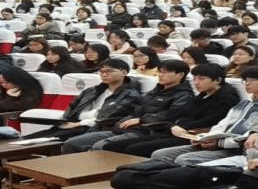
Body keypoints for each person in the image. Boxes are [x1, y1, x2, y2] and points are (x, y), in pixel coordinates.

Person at [100, 63, 241, 157]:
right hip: (172, 131)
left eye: (201, 79)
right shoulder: (203, 95)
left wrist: (176, 125)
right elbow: (179, 113)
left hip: (192, 136)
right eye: (195, 79)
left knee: (135, 149)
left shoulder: (227, 99)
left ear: (217, 80)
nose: (196, 82)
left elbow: (208, 121)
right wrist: (172, 125)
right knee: (113, 146)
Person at [61, 60, 196, 153]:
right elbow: (137, 110)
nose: (161, 75)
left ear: (180, 75)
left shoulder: (184, 95)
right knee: (72, 143)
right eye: (160, 71)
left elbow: (170, 115)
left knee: (100, 146)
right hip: (123, 128)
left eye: (166, 72)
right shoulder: (154, 92)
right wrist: (124, 122)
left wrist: (141, 120)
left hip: (147, 131)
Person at [25, 59, 142, 142]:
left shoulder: (131, 95)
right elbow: (72, 106)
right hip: (74, 126)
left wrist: (79, 123)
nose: (104, 74)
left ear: (124, 72)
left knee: (44, 142)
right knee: (27, 139)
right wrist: (65, 121)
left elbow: (105, 117)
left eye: (109, 71)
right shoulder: (92, 90)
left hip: (93, 129)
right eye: (101, 72)